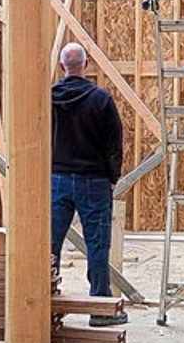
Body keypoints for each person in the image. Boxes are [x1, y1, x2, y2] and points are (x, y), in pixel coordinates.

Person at [50, 42, 127, 325]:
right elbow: (114, 143)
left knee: (50, 245)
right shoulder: (102, 99)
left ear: (62, 67)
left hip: (57, 179)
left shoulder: (50, 98)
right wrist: (112, 177)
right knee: (97, 244)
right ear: (86, 65)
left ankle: (47, 303)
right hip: (94, 181)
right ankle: (99, 309)